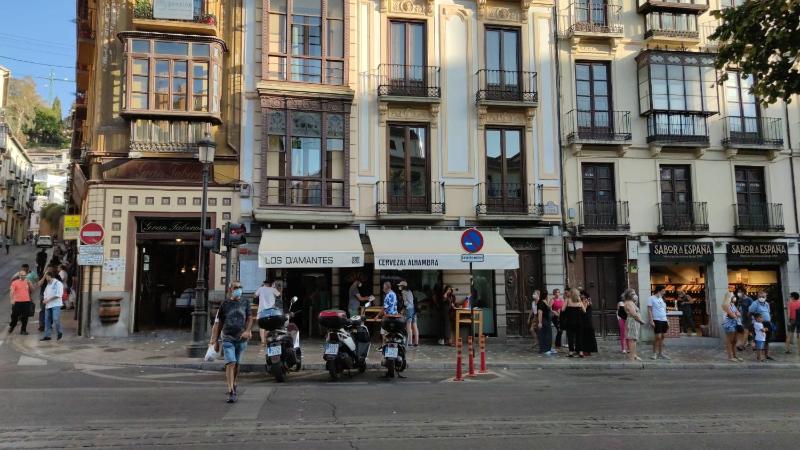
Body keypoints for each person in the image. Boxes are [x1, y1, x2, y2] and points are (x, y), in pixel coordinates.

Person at [209, 281, 252, 403]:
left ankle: (234, 382)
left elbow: (249, 318)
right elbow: (220, 323)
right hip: (227, 338)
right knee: (231, 363)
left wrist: (248, 330)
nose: (238, 289)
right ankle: (231, 391)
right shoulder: (225, 304)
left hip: (241, 339)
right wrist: (216, 340)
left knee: (237, 364)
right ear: (230, 290)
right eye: (236, 287)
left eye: (240, 287)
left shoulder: (245, 302)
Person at [254, 279, 282, 348]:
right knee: (269, 326)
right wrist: (279, 288)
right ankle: (266, 340)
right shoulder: (272, 289)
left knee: (261, 326)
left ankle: (262, 341)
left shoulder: (261, 289)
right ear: (270, 284)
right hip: (270, 311)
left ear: (264, 283)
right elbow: (279, 295)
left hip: (261, 310)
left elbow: (255, 296)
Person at [748, 290, 774, 360]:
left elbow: (768, 312)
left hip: (767, 323)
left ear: (766, 297)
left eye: (763, 296)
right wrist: (755, 322)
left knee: (767, 340)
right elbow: (750, 312)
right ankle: (760, 356)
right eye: (760, 296)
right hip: (760, 324)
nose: (762, 297)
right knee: (760, 340)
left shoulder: (767, 304)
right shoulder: (755, 303)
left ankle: (766, 355)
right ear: (758, 296)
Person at [40, 271, 64, 341]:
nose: (46, 279)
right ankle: (47, 335)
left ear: (51, 276)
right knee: (47, 320)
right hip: (48, 305)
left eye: (47, 277)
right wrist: (45, 300)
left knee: (56, 318)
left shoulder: (58, 283)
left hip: (56, 304)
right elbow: (45, 293)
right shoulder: (48, 285)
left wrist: (48, 300)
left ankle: (59, 332)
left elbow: (58, 294)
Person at [648, 285, 669, 360]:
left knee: (663, 337)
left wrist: (667, 321)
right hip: (657, 320)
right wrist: (651, 320)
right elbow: (649, 310)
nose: (664, 292)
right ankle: (654, 353)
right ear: (659, 290)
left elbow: (664, 310)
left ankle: (661, 353)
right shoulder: (651, 298)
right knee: (658, 337)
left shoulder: (662, 299)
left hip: (664, 320)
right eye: (663, 290)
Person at [623, 289, 644, 361]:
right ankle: (631, 357)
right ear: (629, 295)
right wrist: (641, 321)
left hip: (634, 322)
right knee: (632, 340)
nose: (635, 295)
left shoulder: (632, 302)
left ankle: (634, 355)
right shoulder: (629, 303)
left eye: (635, 294)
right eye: (633, 294)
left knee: (634, 339)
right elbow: (634, 314)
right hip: (632, 322)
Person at [721, 292, 743, 363]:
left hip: (735, 323)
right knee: (730, 341)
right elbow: (732, 315)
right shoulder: (725, 305)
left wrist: (735, 314)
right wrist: (735, 314)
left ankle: (734, 355)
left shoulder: (732, 304)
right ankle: (730, 356)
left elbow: (738, 313)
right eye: (733, 296)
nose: (734, 297)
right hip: (729, 325)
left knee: (734, 341)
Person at [561, 289, 583, 357]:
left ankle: (571, 352)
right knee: (579, 337)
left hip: (570, 321)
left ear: (571, 293)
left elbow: (563, 309)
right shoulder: (579, 300)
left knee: (570, 337)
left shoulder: (567, 299)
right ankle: (580, 352)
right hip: (579, 321)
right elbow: (584, 310)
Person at [399, 281, 418, 347]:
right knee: (414, 325)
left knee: (408, 326)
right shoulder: (410, 291)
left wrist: (403, 309)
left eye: (400, 285)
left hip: (409, 309)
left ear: (403, 286)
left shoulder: (403, 292)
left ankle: (409, 342)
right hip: (413, 309)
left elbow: (405, 302)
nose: (399, 287)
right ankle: (416, 342)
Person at [579, 291, 597, 357]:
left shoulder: (585, 300)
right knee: (588, 335)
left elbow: (584, 310)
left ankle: (586, 351)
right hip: (588, 320)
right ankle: (588, 351)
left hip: (585, 320)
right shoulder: (588, 300)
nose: (580, 296)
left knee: (585, 335)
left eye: (581, 295)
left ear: (584, 295)